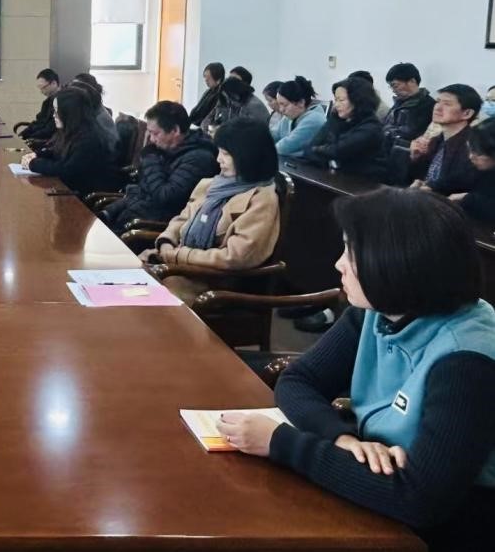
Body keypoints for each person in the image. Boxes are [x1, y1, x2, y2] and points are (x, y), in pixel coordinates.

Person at [217, 190, 495, 550]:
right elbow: (299, 379)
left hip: (449, 526)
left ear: (396, 262)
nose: (339, 264)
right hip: (378, 492)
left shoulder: (467, 360)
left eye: (350, 252)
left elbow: (421, 500)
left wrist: (280, 442)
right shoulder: (379, 311)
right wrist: (342, 439)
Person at [141, 118, 280, 303]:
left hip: (212, 282)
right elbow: (182, 219)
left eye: (226, 154)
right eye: (219, 152)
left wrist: (179, 255)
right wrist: (166, 241)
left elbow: (235, 257)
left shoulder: (261, 199)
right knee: (127, 278)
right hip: (180, 266)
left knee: (143, 297)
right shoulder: (213, 184)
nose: (218, 159)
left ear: (248, 156)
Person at [100, 101, 218, 233]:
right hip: (135, 217)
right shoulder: (168, 150)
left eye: (155, 133)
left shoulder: (199, 159)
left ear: (175, 130)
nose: (151, 139)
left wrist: (150, 160)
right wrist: (109, 211)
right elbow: (141, 192)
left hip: (149, 228)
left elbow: (164, 198)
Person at [19, 87, 123, 197]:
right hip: (71, 188)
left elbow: (67, 170)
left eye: (56, 111)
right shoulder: (72, 130)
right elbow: (58, 151)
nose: (53, 115)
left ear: (70, 112)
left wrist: (34, 164)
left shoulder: (89, 138)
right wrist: (37, 155)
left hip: (86, 195)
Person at [304, 78, 388, 181]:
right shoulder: (337, 119)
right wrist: (326, 157)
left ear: (358, 100)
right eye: (336, 100)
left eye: (341, 100)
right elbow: (309, 148)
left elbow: (338, 150)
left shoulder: (371, 128)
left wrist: (321, 151)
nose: (336, 105)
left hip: (365, 183)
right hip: (338, 178)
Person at [410, 84, 481, 195]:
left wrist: (431, 188)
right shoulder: (435, 140)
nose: (437, 108)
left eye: (447, 104)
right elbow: (421, 176)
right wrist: (415, 157)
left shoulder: (474, 146)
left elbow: (461, 183)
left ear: (467, 113)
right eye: (437, 101)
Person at [452, 119, 495, 224]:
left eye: (478, 153)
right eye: (471, 150)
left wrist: (467, 198)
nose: (471, 156)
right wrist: (431, 186)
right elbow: (461, 177)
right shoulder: (485, 167)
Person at [382, 62, 435, 146]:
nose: (393, 90)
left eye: (395, 85)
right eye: (391, 87)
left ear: (412, 81)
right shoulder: (398, 104)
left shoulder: (428, 106)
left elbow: (410, 133)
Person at [274, 76, 326, 157]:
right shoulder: (290, 117)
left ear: (301, 102)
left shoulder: (314, 120)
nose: (281, 109)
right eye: (279, 104)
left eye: (284, 105)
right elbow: (272, 135)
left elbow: (284, 147)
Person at [15, 69, 61, 143]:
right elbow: (39, 122)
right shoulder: (47, 102)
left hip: (52, 141)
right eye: (40, 88)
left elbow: (51, 129)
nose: (42, 92)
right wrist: (22, 134)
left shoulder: (63, 101)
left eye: (43, 88)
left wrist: (30, 137)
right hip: (41, 137)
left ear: (54, 83)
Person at [189, 63, 225, 127]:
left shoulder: (220, 95)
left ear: (218, 79)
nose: (206, 80)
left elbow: (209, 117)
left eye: (209, 78)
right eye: (205, 77)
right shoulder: (209, 91)